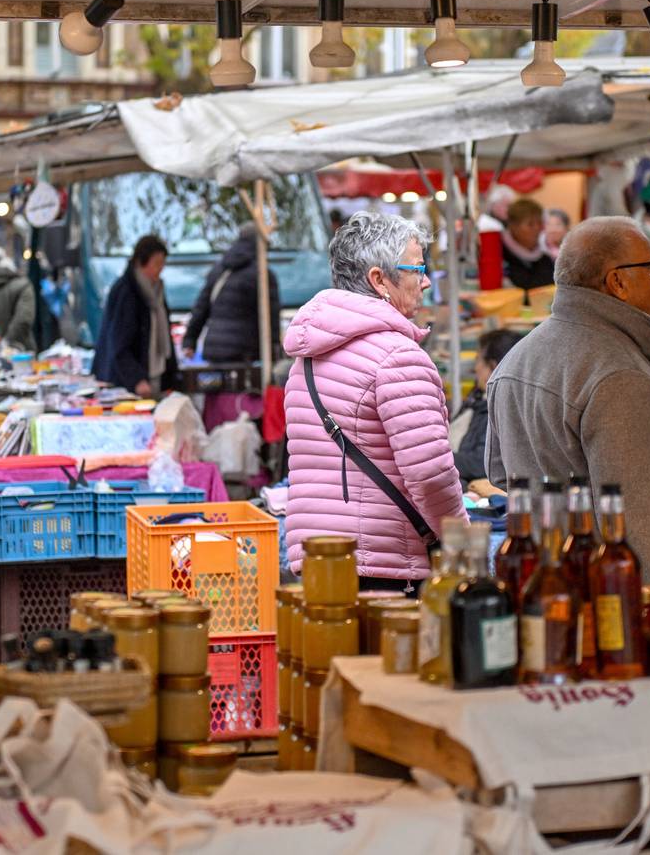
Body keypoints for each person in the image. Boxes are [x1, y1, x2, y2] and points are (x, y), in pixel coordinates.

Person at [485, 216, 650, 612]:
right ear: (617, 282)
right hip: (605, 607)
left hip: (549, 590)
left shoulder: (517, 359)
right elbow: (644, 531)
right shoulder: (620, 375)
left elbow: (501, 474)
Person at [284, 211, 466, 594]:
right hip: (384, 567)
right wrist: (462, 541)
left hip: (321, 561)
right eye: (417, 269)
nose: (427, 281)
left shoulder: (307, 358)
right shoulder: (398, 357)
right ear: (379, 280)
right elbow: (430, 473)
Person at [182, 223, 281, 364]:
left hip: (214, 349)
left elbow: (200, 309)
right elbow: (272, 318)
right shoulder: (263, 275)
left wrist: (189, 340)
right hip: (245, 351)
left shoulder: (219, 269)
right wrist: (274, 350)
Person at [92, 235, 178, 397]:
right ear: (141, 262)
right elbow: (119, 343)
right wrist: (136, 379)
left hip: (152, 373)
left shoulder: (156, 291)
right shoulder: (127, 291)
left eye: (162, 264)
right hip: (124, 382)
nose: (160, 269)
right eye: (156, 264)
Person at [451, 329, 522, 490]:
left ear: (494, 366)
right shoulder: (478, 397)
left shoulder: (501, 406)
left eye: (478, 361)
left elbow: (481, 463)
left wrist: (436, 459)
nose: (475, 369)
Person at [502, 197, 556, 293]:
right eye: (530, 224)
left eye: (539, 223)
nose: (537, 228)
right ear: (513, 226)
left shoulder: (546, 259)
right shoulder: (500, 255)